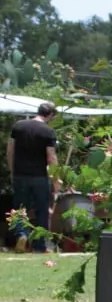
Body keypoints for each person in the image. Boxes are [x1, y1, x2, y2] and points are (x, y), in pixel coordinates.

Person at [7, 102, 59, 253]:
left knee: (19, 209)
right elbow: (51, 157)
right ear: (50, 115)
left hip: (20, 175)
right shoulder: (48, 131)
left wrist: (12, 171)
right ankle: (39, 245)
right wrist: (56, 179)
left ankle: (22, 235)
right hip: (39, 177)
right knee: (42, 210)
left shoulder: (18, 126)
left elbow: (10, 151)